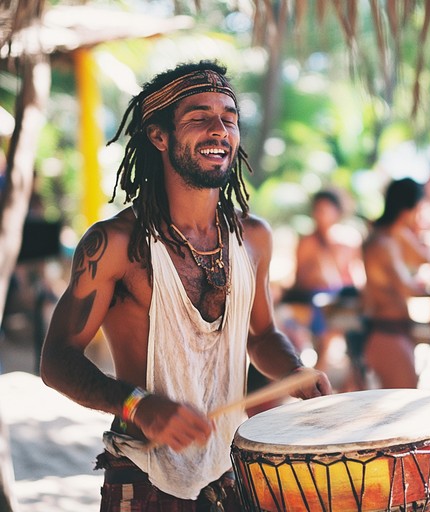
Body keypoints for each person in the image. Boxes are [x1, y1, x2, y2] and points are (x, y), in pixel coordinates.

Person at [39, 60, 332, 511]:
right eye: (199, 117)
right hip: (143, 474)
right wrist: (137, 405)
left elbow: (262, 335)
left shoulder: (253, 239)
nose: (220, 130)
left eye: (229, 119)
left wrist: (293, 372)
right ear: (159, 136)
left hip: (229, 470)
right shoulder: (115, 244)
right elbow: (56, 359)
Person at [281, 189, 364, 371]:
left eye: (325, 210)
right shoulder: (308, 242)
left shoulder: (348, 240)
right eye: (318, 210)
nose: (320, 215)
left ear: (337, 212)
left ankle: (352, 375)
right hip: (314, 300)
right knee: (323, 310)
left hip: (342, 298)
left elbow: (355, 274)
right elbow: (300, 277)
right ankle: (321, 369)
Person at [361, 177, 430, 389]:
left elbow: (428, 257)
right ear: (409, 209)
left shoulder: (395, 234)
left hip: (393, 333)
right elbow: (406, 288)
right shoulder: (383, 243)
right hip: (386, 334)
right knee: (405, 407)